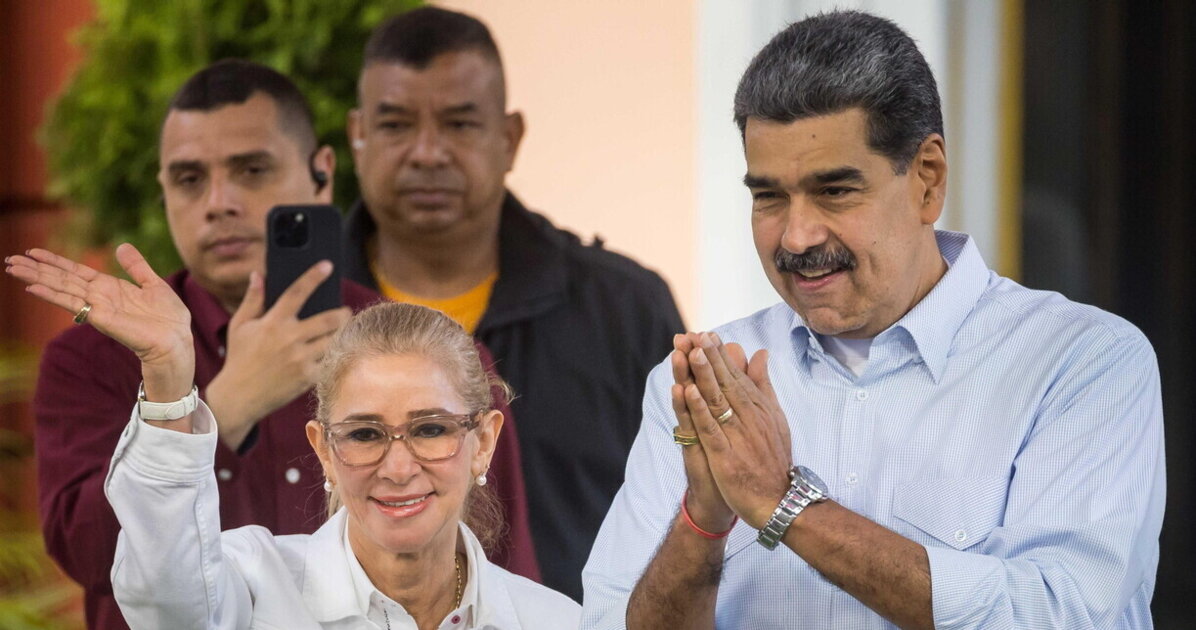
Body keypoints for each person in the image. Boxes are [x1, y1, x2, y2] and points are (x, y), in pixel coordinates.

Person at [582, 11, 1164, 629]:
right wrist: (702, 521)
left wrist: (783, 504)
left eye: (835, 191)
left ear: (927, 180)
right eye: (769, 197)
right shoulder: (709, 386)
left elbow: (1061, 612)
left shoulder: (1082, 361)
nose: (797, 236)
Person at [30, 59, 536, 630]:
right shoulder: (96, 356)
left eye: (252, 170)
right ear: (164, 191)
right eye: (190, 179)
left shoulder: (429, 356)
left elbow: (504, 577)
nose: (219, 202)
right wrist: (222, 408)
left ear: (322, 173)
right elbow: (89, 557)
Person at [5, 247, 580, 629]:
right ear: (324, 450)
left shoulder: (559, 622)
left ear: (484, 441)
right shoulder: (253, 585)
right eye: (365, 434)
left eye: (430, 429)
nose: (398, 467)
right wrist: (169, 376)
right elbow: (166, 599)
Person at [342, 7, 684, 599]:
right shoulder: (296, 318)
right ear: (357, 136)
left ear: (510, 138)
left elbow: (689, 516)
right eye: (396, 125)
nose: (427, 152)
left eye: (459, 124)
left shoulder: (622, 311)